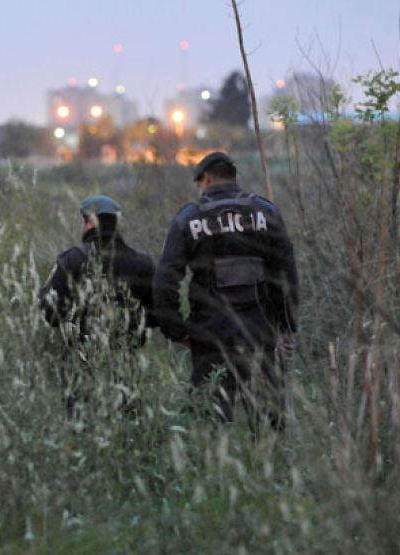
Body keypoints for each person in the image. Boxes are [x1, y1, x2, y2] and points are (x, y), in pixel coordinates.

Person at [153, 152, 298, 427]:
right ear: (233, 177)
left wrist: (177, 330)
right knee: (269, 420)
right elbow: (286, 275)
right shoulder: (266, 212)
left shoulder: (189, 218)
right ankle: (270, 467)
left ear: (205, 179)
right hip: (260, 333)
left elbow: (165, 280)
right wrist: (287, 327)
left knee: (210, 422)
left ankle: (215, 468)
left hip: (210, 335)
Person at [39, 194, 158, 416]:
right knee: (128, 431)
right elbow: (154, 317)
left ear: (90, 222)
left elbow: (50, 312)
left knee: (81, 430)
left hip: (83, 365)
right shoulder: (142, 263)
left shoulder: (72, 260)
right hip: (128, 365)